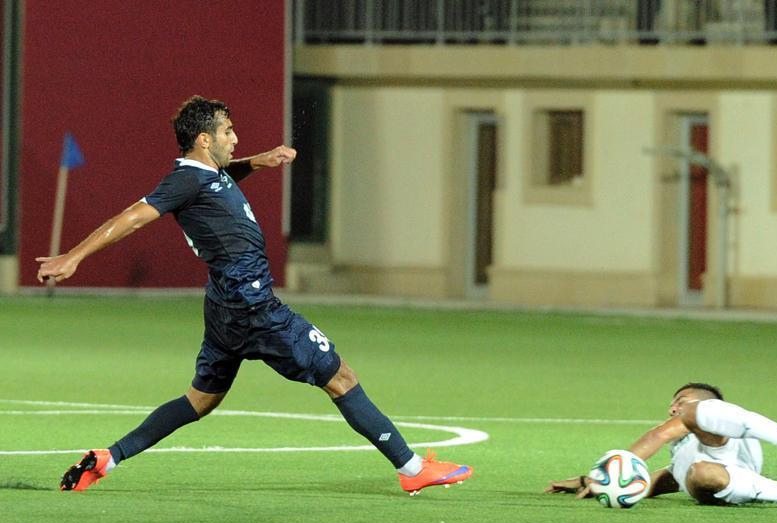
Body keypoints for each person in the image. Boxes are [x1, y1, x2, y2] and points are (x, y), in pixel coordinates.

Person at [37, 95, 472, 496]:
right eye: (227, 132)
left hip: (225, 307)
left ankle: (108, 458)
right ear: (204, 139)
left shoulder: (207, 175)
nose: (235, 138)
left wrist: (259, 162)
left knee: (200, 401)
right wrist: (74, 256)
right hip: (254, 307)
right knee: (341, 377)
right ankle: (412, 469)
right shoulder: (185, 180)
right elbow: (133, 217)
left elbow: (222, 178)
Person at [545, 382, 777, 510]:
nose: (673, 407)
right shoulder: (684, 460)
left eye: (681, 400)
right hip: (719, 480)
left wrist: (611, 468)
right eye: (673, 403)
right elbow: (647, 483)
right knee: (699, 473)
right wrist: (595, 482)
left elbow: (655, 437)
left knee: (696, 424)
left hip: (728, 450)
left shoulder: (703, 415)